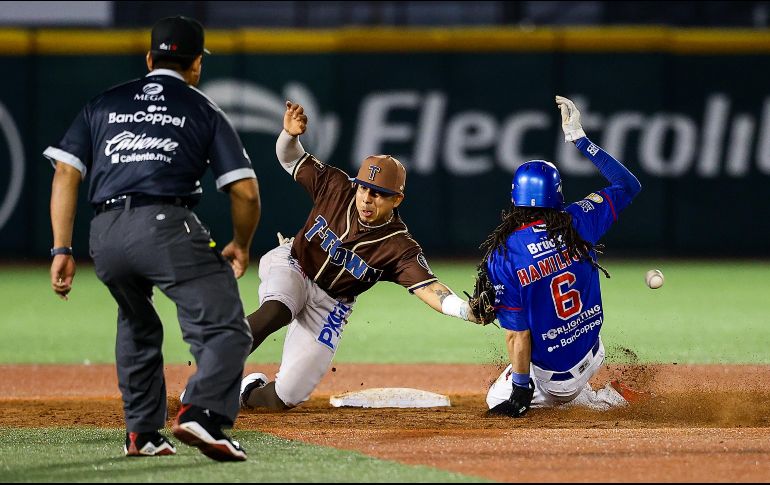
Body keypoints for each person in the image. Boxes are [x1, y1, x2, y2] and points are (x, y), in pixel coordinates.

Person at [46, 16, 260, 460]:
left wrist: (61, 248)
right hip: (165, 224)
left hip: (104, 234)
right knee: (225, 327)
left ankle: (142, 433)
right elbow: (245, 191)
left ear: (149, 59)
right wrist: (241, 244)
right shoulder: (202, 108)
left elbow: (66, 171)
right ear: (196, 64)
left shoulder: (103, 103)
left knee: (137, 322)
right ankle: (202, 412)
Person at [238, 101, 482, 411]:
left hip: (331, 304)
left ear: (397, 199)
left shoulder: (398, 246)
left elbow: (430, 288)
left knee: (285, 396)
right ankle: (213, 372)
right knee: (277, 310)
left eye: (378, 193)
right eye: (364, 188)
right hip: (294, 264)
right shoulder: (336, 186)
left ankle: (246, 392)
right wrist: (289, 136)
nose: (367, 198)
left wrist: (465, 310)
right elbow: (290, 158)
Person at [482, 95, 643, 418]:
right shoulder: (578, 221)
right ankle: (586, 390)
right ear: (557, 194)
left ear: (514, 198)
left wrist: (521, 388)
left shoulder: (505, 254)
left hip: (557, 381)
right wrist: (580, 139)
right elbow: (628, 185)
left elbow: (516, 334)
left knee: (495, 399)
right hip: (593, 350)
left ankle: (603, 399)